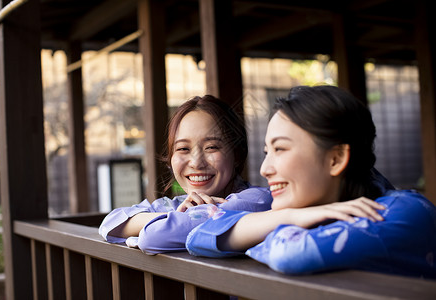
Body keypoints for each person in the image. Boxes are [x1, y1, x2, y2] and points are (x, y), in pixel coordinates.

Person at [186, 85, 436, 279]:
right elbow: (197, 237)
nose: (265, 169)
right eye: (266, 152)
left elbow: (291, 252)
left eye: (280, 149)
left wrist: (276, 224)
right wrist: (293, 216)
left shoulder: (404, 211)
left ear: (336, 159)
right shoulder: (308, 207)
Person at [99, 95, 272, 253]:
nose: (196, 162)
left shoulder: (257, 201)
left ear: (237, 154)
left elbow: (154, 237)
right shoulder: (178, 206)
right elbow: (110, 223)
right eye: (183, 149)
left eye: (211, 147)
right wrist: (174, 216)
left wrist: (162, 223)